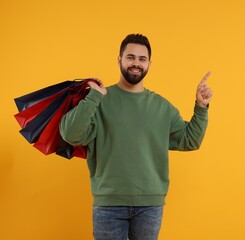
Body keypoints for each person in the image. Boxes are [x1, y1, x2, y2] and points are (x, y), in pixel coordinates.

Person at [60, 33, 213, 240]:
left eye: (142, 59)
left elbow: (190, 140)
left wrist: (201, 107)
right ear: (119, 60)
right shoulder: (99, 99)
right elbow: (71, 134)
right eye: (130, 57)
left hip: (149, 206)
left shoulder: (161, 107)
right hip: (109, 205)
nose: (136, 64)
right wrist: (93, 96)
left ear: (149, 63)